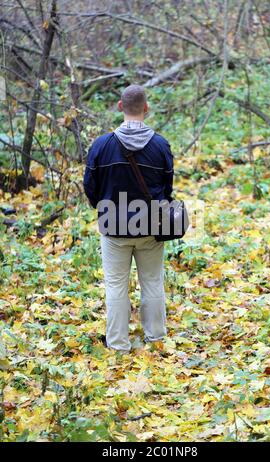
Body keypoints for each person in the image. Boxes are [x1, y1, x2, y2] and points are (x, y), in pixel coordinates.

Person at [83, 84, 174, 352]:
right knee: (153, 282)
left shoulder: (101, 145)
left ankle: (118, 345)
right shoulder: (160, 145)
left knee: (115, 286)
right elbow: (166, 188)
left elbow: (90, 185)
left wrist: (103, 208)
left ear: (120, 107)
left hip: (113, 227)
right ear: (146, 108)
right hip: (150, 226)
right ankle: (155, 339)